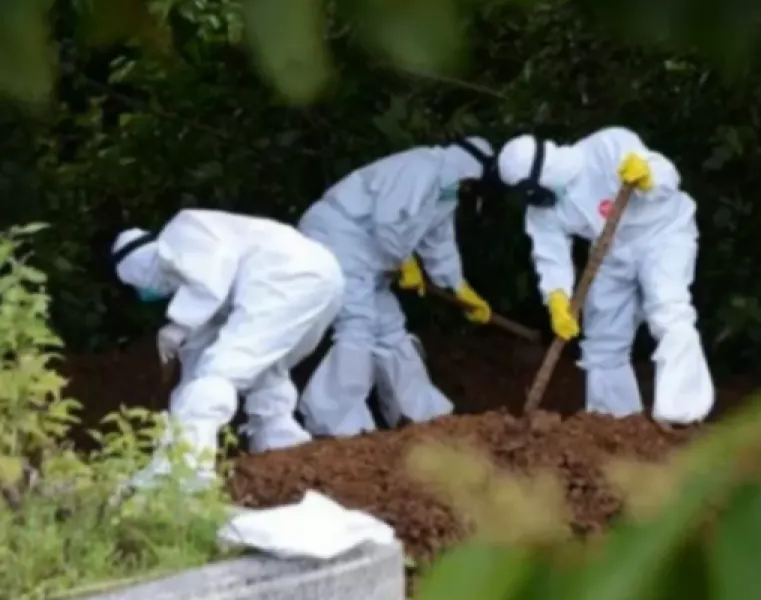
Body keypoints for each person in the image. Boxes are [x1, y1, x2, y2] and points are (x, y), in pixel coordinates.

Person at [111, 210, 345, 490]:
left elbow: (211, 278)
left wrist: (179, 324)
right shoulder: (207, 289)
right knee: (264, 367)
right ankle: (281, 445)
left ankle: (185, 466)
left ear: (138, 268)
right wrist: (183, 396)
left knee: (220, 371)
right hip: (324, 277)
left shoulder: (183, 230)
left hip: (284, 275)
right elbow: (197, 361)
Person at [496, 127, 715, 424]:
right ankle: (614, 422)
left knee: (668, 309)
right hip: (610, 250)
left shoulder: (606, 146)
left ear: (542, 173)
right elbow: (550, 255)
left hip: (662, 233)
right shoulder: (542, 211)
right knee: (602, 337)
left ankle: (682, 413)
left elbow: (669, 177)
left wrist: (648, 175)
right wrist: (557, 298)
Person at [296, 137, 496, 436]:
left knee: (390, 328)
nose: (470, 189)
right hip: (337, 239)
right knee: (357, 325)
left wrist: (458, 286)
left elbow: (439, 243)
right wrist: (403, 261)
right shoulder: (421, 168)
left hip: (370, 256)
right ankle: (336, 422)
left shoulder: (445, 193)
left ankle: (419, 413)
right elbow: (389, 221)